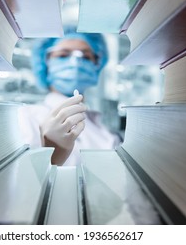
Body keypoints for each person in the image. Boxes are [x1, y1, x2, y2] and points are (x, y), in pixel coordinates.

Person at [18, 27, 121, 166]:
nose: (76, 62)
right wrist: (51, 160)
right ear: (44, 64)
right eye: (63, 55)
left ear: (97, 66)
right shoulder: (25, 117)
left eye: (85, 57)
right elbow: (20, 181)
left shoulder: (101, 127)